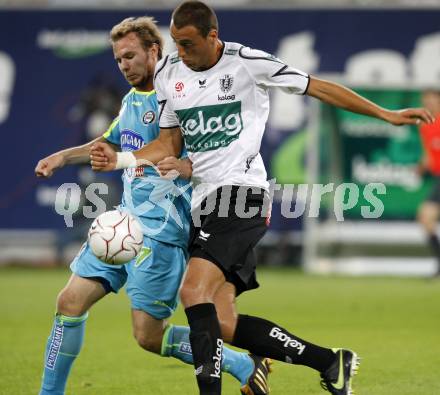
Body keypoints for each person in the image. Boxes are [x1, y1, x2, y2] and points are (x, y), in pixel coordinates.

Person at [90, 3, 434, 395]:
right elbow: (169, 140)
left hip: (242, 195)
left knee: (192, 292)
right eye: (176, 44)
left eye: (187, 44)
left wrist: (385, 114)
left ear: (212, 36)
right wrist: (123, 159)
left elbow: (318, 86)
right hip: (205, 203)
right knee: (221, 321)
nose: (180, 53)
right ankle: (330, 362)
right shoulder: (170, 73)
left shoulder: (247, 62)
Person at [35, 16, 271, 395]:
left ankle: (241, 363)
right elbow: (108, 143)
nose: (124, 65)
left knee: (148, 337)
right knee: (69, 302)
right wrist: (61, 158)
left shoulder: (181, 97)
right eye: (118, 60)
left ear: (154, 51)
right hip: (121, 225)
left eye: (130, 56)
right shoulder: (130, 101)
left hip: (160, 237)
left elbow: (199, 156)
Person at [417, 90, 440, 277]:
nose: (429, 104)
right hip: (437, 178)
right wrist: (421, 167)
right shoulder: (425, 125)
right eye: (426, 101)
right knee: (426, 218)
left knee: (426, 215)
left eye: (432, 100)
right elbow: (429, 154)